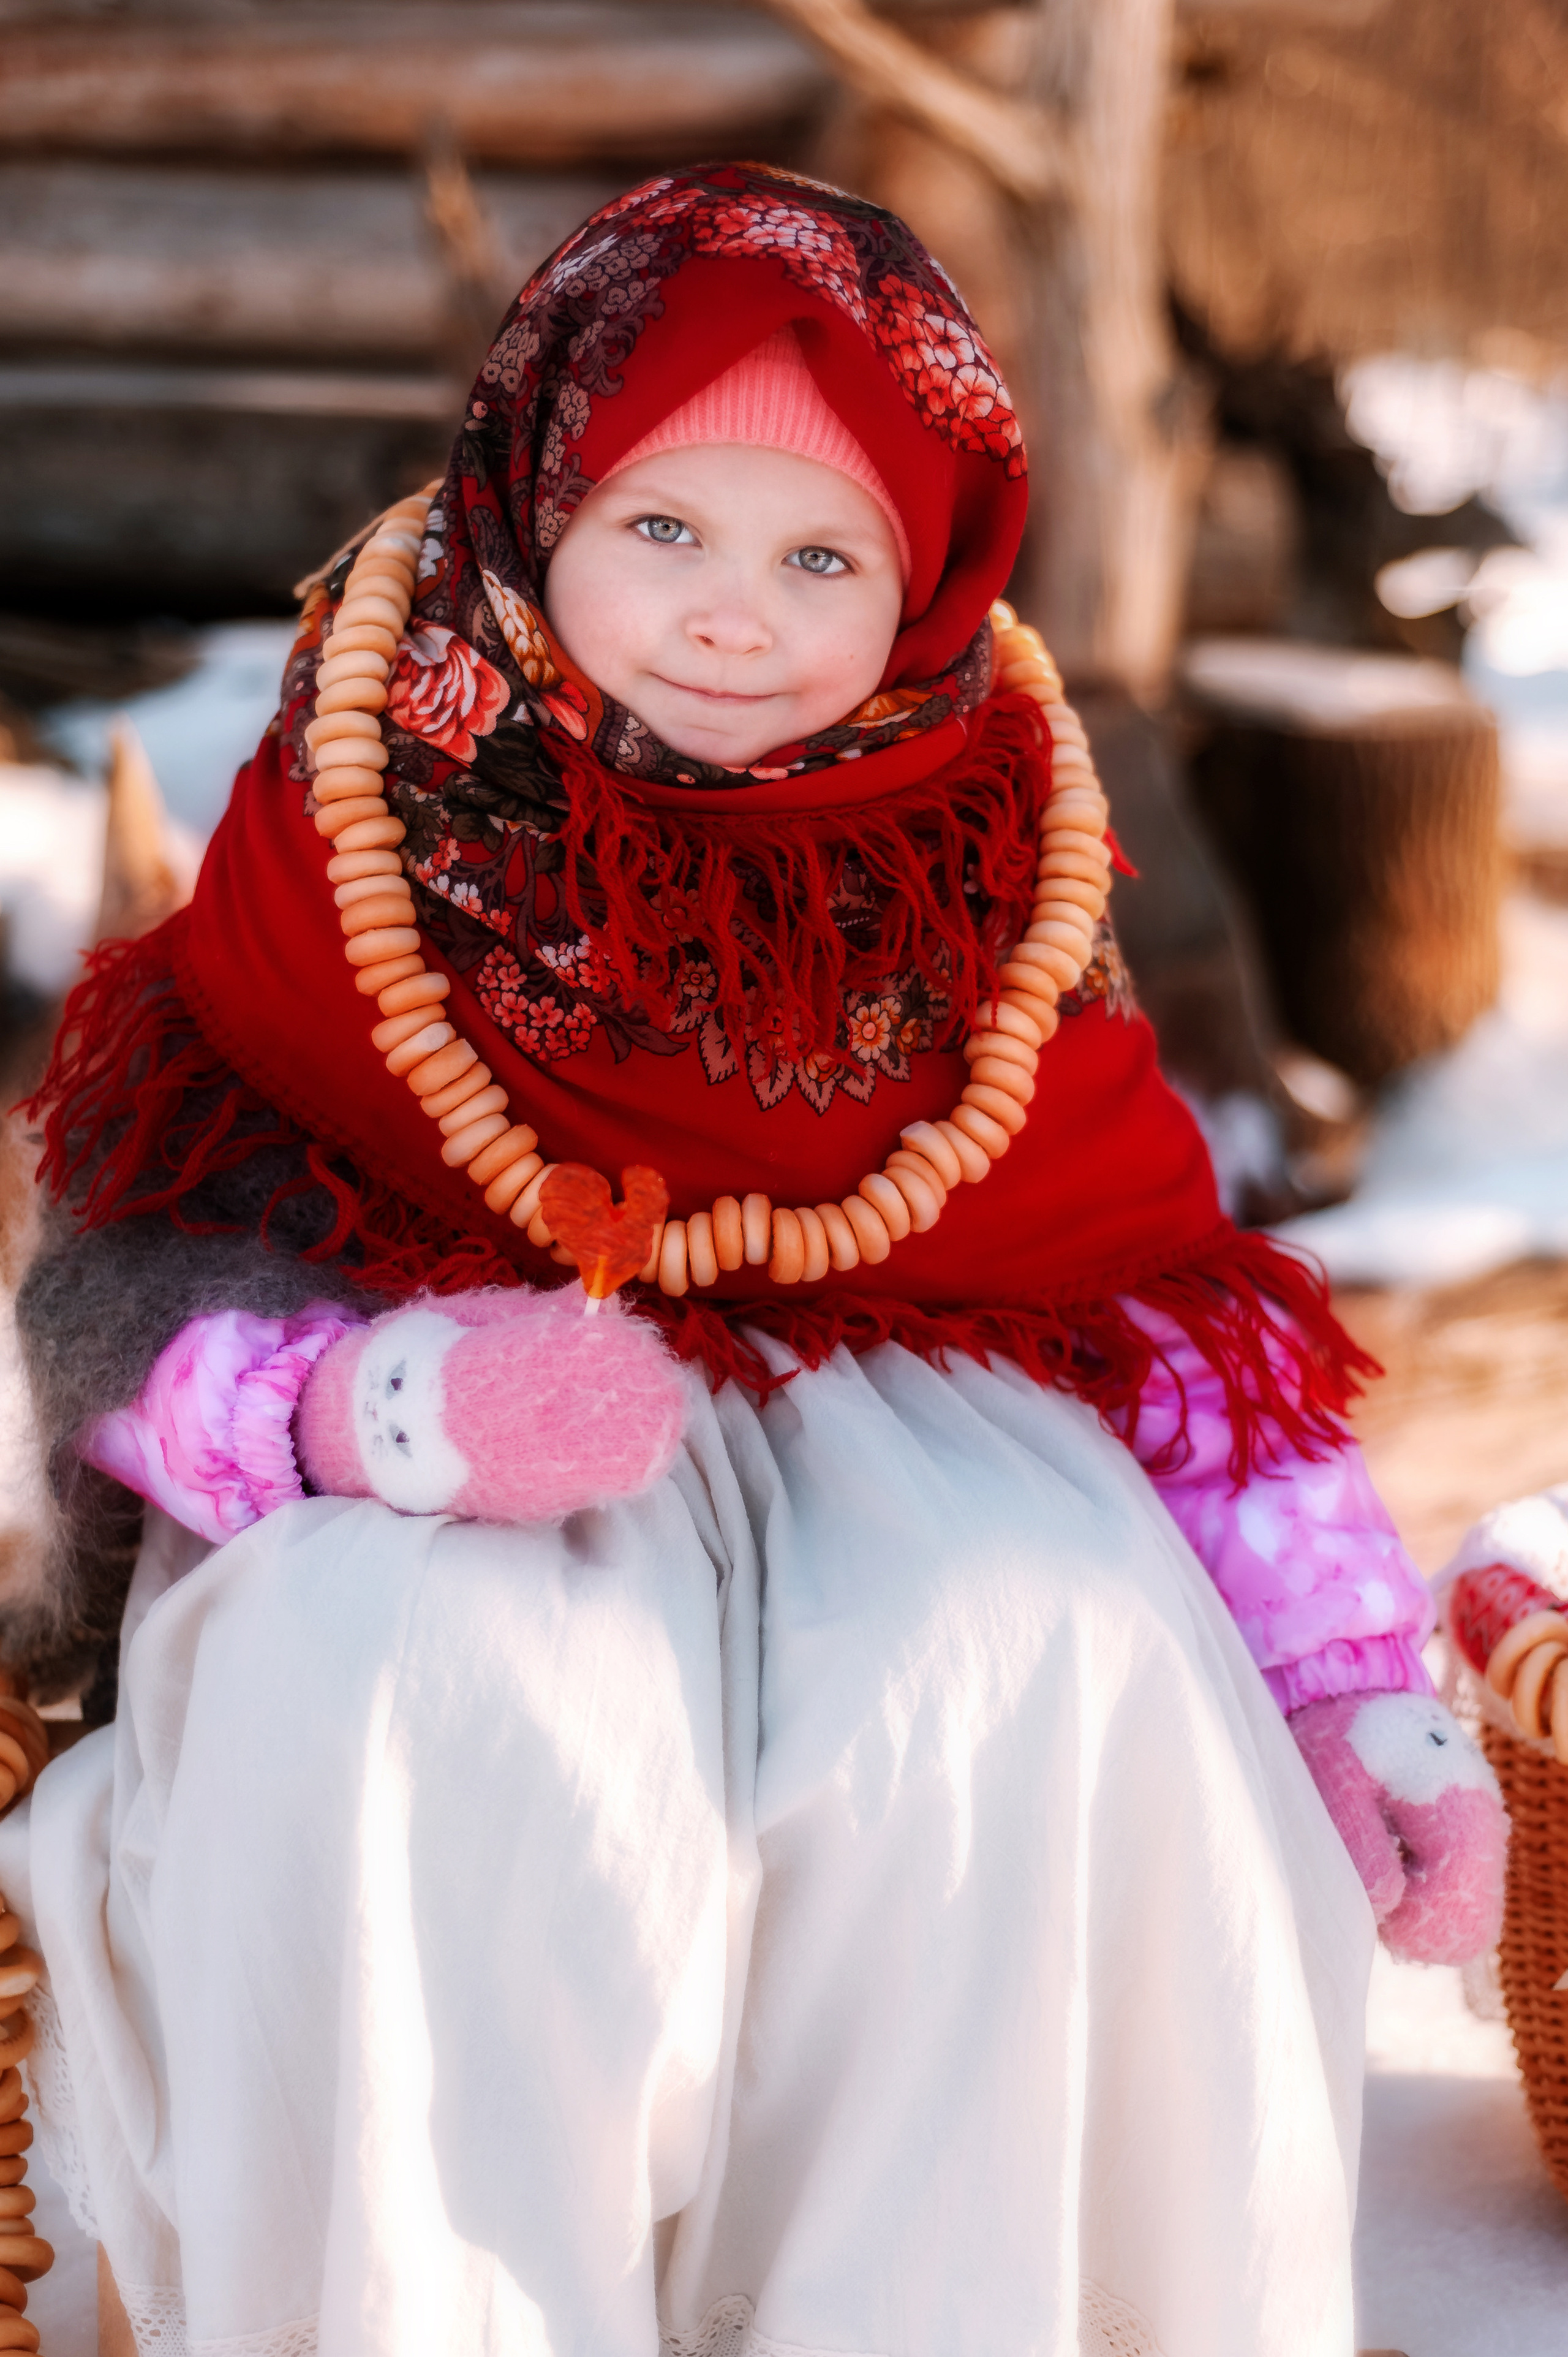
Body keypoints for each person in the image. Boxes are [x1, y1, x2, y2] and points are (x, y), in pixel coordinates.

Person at [5, 164, 1504, 2357]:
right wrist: (361, 1411)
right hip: (441, 1388)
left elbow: (1153, 1291)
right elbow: (119, 1294)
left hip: (906, 1397)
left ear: (927, 585)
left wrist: (1344, 1676)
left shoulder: (982, 841)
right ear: (543, 506)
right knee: (444, 1714)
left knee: (1028, 1675)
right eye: (665, 533)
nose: (734, 616)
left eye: (823, 559)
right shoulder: (372, 787)